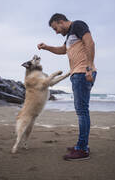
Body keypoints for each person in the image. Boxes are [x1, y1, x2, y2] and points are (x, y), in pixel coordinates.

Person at [37, 13, 97, 161]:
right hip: (78, 74)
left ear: (61, 21)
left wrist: (88, 67)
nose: (56, 31)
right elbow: (62, 50)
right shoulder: (70, 35)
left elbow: (90, 43)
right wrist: (46, 47)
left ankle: (82, 149)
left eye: (55, 28)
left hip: (83, 72)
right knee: (81, 111)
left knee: (82, 111)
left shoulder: (77, 25)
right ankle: (82, 145)